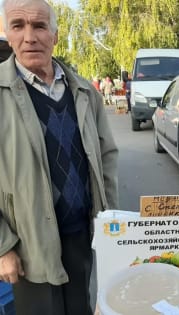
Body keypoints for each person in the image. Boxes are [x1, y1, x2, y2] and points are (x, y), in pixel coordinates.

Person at [0, 1, 119, 315]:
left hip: (82, 236)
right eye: (18, 26)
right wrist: (3, 247)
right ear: (6, 33)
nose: (30, 37)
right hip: (28, 246)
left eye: (39, 26)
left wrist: (109, 220)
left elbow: (106, 157)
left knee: (82, 308)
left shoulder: (84, 91)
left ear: (54, 34)